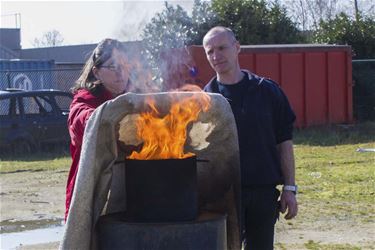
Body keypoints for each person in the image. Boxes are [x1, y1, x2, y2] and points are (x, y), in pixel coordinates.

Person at [202, 26, 298, 249]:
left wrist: (290, 189)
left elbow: (284, 142)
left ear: (237, 48)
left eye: (222, 48)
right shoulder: (204, 101)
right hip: (222, 196)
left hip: (262, 194)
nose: (216, 56)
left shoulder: (267, 91)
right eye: (210, 51)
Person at [65, 38, 131, 220]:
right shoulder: (85, 99)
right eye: (112, 66)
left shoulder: (135, 97)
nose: (121, 72)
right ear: (97, 72)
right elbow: (81, 121)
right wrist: (108, 118)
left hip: (128, 192)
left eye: (125, 65)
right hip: (92, 193)